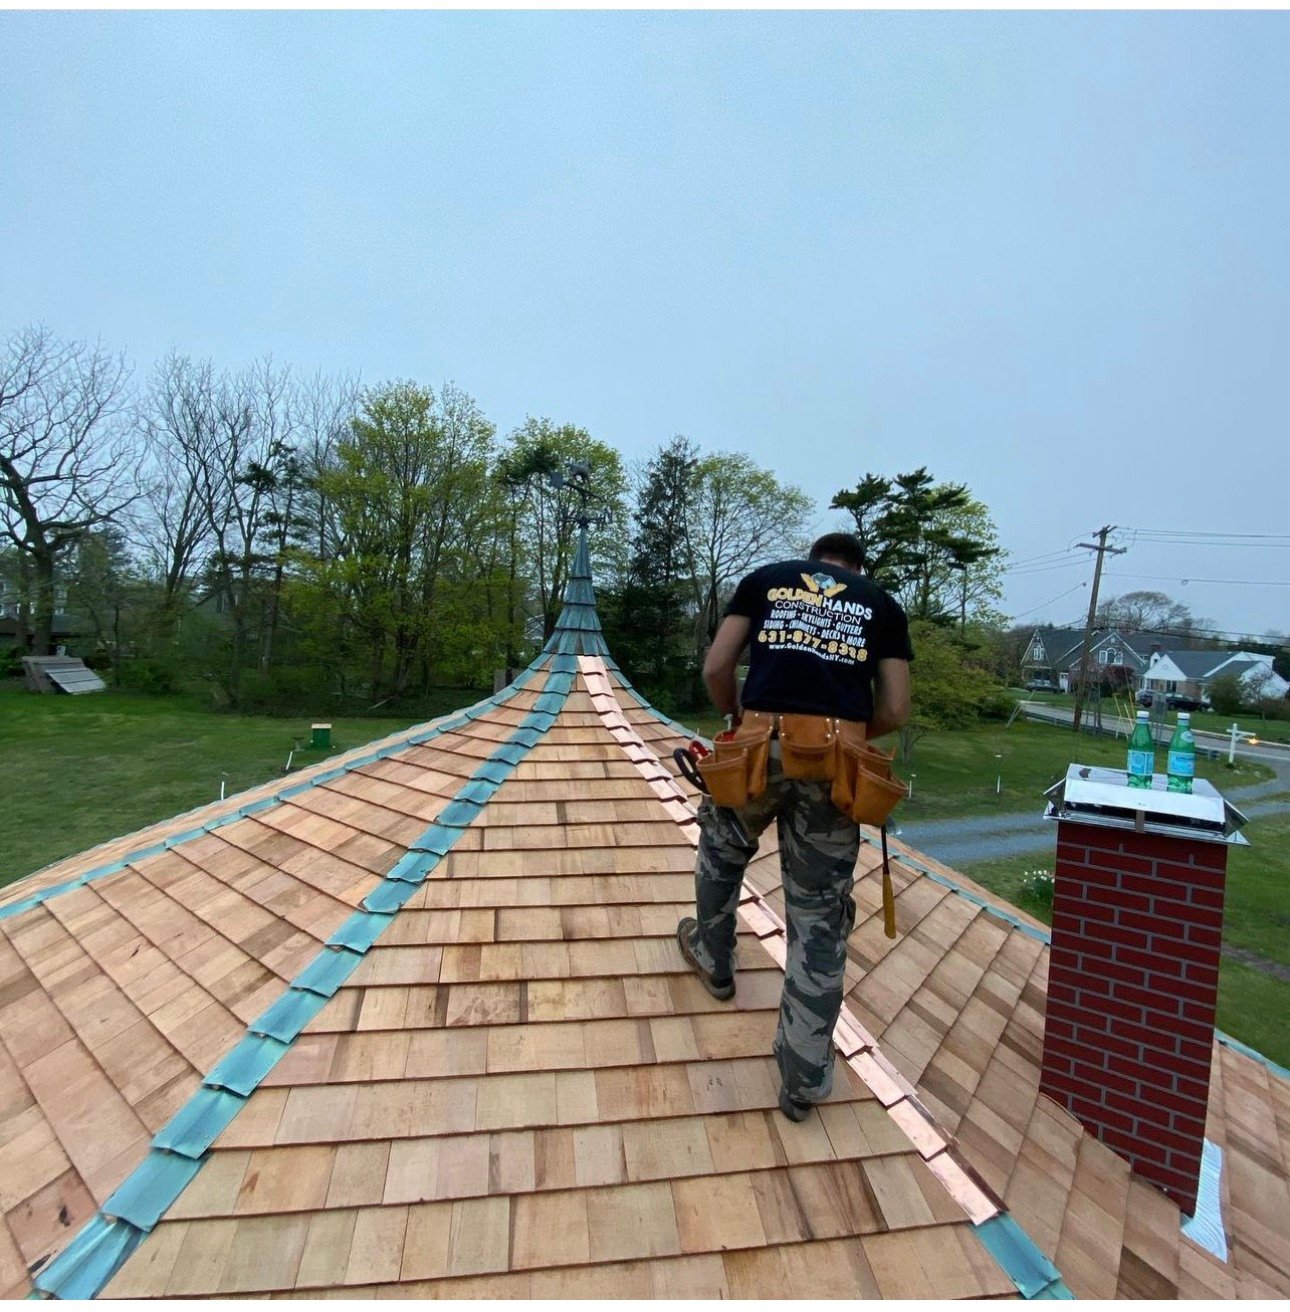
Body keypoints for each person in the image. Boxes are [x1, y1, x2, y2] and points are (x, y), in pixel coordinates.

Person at [676, 531, 913, 1122]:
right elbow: (894, 710)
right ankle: (804, 1075)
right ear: (857, 568)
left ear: (812, 561)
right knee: (818, 916)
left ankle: (714, 953)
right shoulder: (880, 603)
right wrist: (847, 735)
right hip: (835, 766)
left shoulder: (765, 580)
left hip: (759, 745)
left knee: (723, 846)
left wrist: (736, 716)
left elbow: (716, 666)